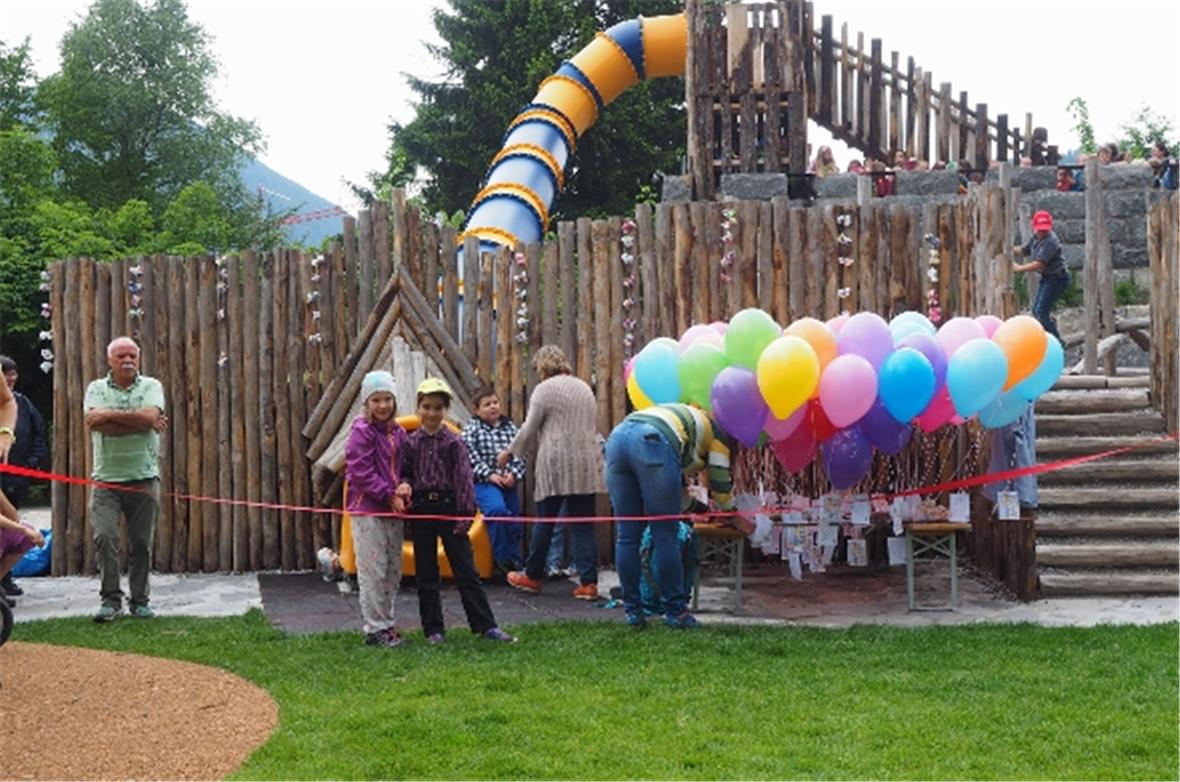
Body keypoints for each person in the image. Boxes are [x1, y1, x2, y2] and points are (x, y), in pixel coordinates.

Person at [396, 377, 516, 644]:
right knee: (426, 573)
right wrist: (404, 484)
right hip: (422, 510)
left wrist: (463, 516)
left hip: (449, 507)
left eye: (438, 408)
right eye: (427, 407)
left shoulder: (454, 442)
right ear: (418, 408)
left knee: (466, 571)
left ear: (445, 410)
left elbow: (464, 480)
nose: (432, 413)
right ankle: (433, 630)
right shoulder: (410, 442)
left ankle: (485, 626)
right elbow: (404, 472)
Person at [605, 402, 738, 630]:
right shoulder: (718, 435)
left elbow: (677, 496)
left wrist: (703, 510)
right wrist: (733, 515)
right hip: (652, 441)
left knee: (627, 536)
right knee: (665, 534)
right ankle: (676, 612)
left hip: (617, 439)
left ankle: (633, 612)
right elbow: (720, 484)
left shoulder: (684, 422)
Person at [500, 345, 604, 601]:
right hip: (585, 460)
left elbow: (529, 428)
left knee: (545, 521)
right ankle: (588, 583)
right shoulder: (584, 387)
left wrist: (510, 452)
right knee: (583, 524)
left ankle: (532, 576)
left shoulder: (544, 389)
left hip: (556, 461)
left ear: (542, 367)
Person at [83, 336, 167, 622]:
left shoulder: (151, 386)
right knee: (104, 538)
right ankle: (110, 600)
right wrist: (140, 422)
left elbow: (150, 416)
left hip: (144, 478)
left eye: (132, 355)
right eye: (121, 356)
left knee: (141, 543)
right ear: (110, 360)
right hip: (105, 480)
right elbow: (94, 423)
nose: (128, 360)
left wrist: (110, 417)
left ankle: (140, 601)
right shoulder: (96, 388)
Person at [345, 371, 410, 648]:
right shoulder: (361, 431)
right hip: (368, 510)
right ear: (367, 402)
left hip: (393, 510)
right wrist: (388, 495)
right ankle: (374, 629)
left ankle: (387, 623)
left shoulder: (399, 433)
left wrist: (405, 485)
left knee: (392, 570)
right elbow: (360, 471)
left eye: (387, 399)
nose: (382, 405)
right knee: (373, 570)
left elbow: (405, 466)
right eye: (376, 400)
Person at [460, 384, 525, 575]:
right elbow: (469, 457)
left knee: (514, 518)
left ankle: (515, 560)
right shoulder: (472, 430)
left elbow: (520, 453)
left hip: (507, 481)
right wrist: (489, 475)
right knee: (496, 510)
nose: (493, 407)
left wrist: (513, 473)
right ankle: (502, 559)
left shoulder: (510, 427)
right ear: (477, 409)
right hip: (484, 482)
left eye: (495, 402)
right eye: (487, 404)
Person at [0, 355, 49, 599]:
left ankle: (4, 580)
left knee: (15, 530)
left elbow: (38, 433)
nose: (10, 379)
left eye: (12, 374)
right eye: (5, 374)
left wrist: (6, 434)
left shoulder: (23, 403)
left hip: (16, 473)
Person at [1012, 210, 1070, 341]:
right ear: (1034, 227)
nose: (1042, 232)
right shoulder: (1035, 237)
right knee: (1036, 310)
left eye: (1045, 230)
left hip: (1057, 279)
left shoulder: (1051, 242)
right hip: (1048, 278)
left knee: (1041, 312)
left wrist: (1020, 268)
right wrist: (1009, 248)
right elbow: (1024, 250)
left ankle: (1056, 341)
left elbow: (1039, 264)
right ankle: (1048, 334)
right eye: (1040, 230)